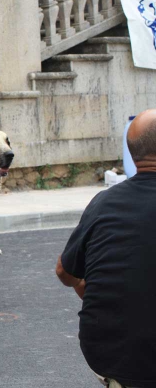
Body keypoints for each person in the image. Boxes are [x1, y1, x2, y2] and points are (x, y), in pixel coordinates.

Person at [55, 108, 156, 388]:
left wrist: (84, 288)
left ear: (133, 153)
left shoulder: (103, 202)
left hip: (108, 353)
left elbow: (64, 271)